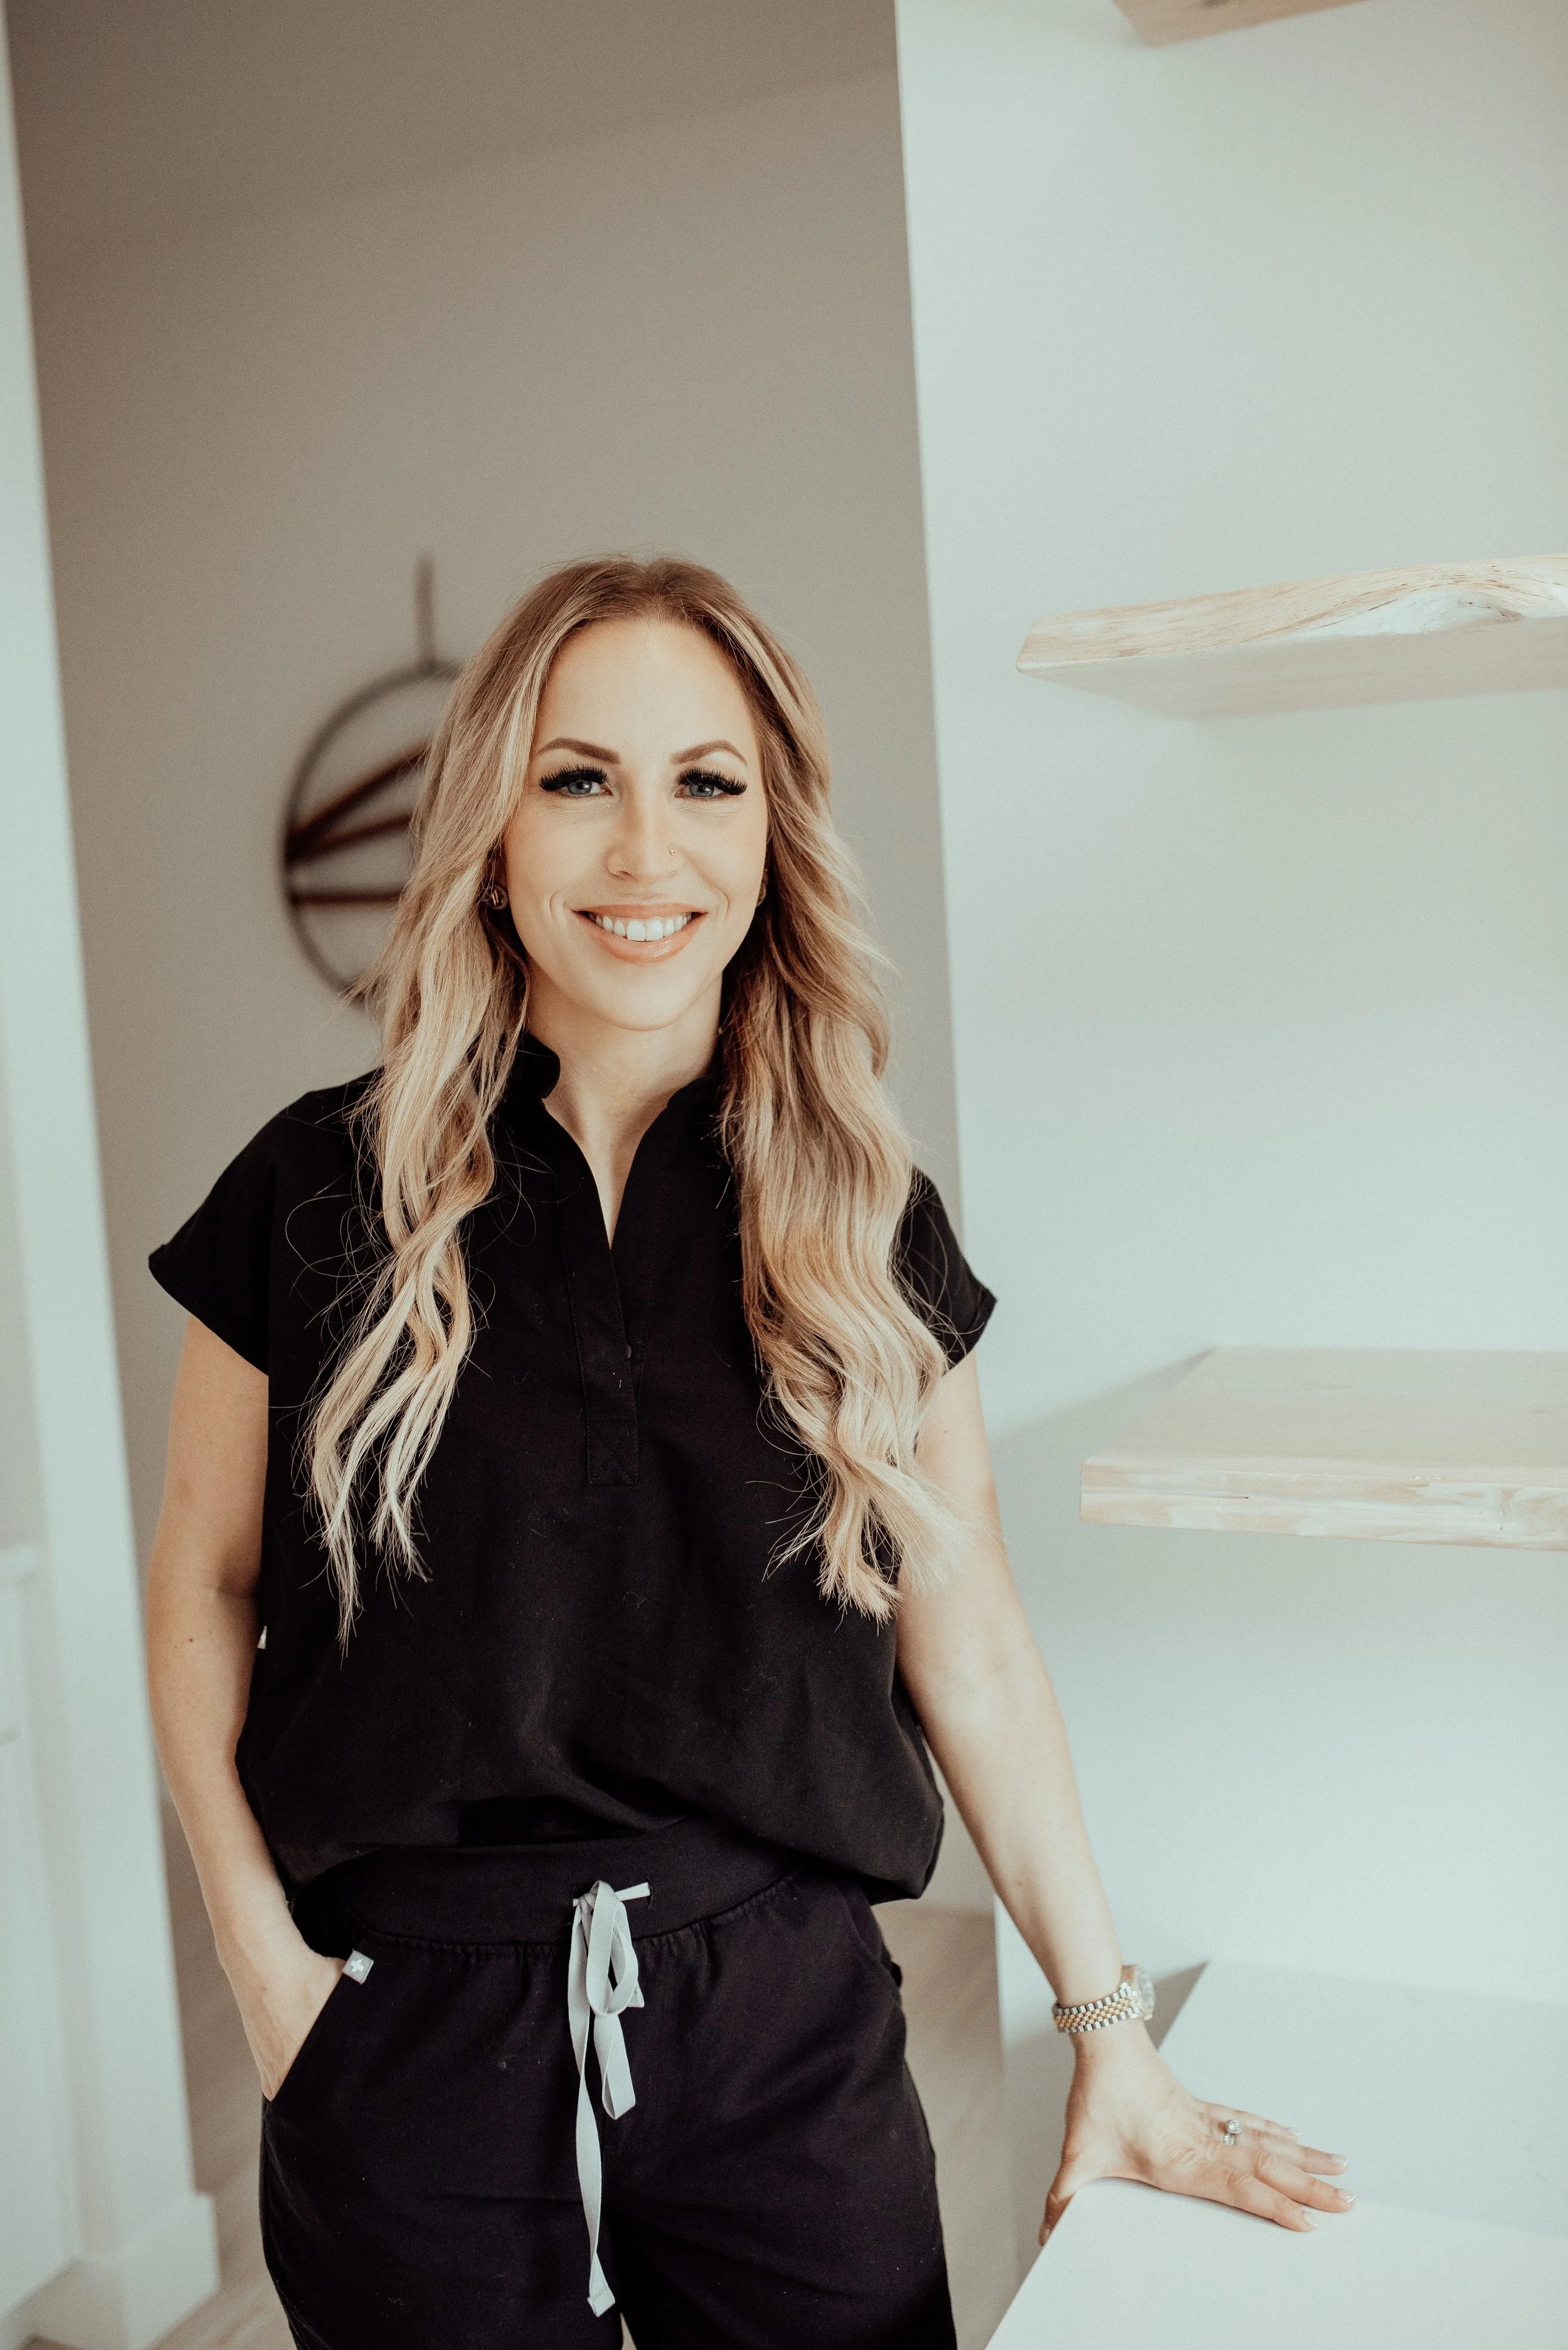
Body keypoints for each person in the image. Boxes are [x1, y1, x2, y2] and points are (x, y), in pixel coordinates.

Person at [145, 556, 1351, 2350]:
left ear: (774, 828)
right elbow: (202, 1591)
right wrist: (269, 1980)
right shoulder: (317, 1190)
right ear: (493, 820)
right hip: (407, 2038)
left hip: (782, 2030)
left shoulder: (864, 1216)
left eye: (705, 782)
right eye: (580, 779)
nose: (648, 854)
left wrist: (1112, 2043)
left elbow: (976, 1657)